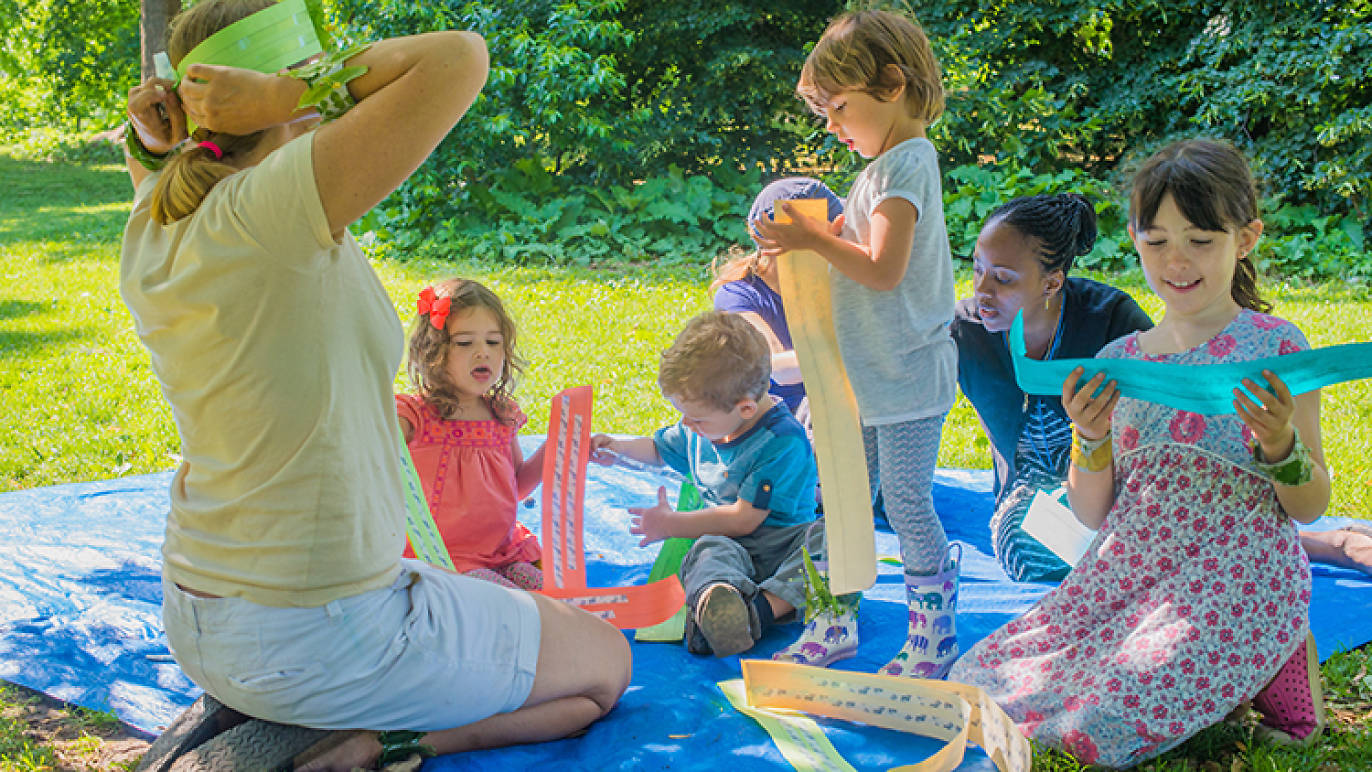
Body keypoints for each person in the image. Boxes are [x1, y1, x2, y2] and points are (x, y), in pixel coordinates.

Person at [118, 2, 628, 769]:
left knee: (511, 614)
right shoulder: (272, 212)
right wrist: (291, 98)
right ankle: (376, 743)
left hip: (204, 618)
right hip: (318, 634)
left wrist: (157, 136)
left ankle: (297, 715)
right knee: (605, 667)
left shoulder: (156, 216)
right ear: (264, 90)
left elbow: (160, 160)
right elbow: (460, 58)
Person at [949, 139, 1330, 766]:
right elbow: (1094, 513)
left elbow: (1311, 505)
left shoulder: (1278, 349)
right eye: (1156, 241)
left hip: (1238, 575)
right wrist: (1092, 438)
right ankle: (1231, 674)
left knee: (1098, 721)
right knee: (985, 677)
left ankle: (1278, 651)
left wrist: (1281, 443)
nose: (1176, 260)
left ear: (1248, 237)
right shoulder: (1120, 361)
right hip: (1131, 574)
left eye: (1201, 239)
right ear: (1134, 239)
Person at [753, 9, 961, 678]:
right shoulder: (879, 170)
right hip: (865, 374)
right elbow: (855, 260)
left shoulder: (908, 166)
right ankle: (833, 619)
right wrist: (804, 250)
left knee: (903, 501)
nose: (834, 126)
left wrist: (815, 239)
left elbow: (881, 268)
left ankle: (934, 636)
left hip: (906, 378)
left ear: (892, 84)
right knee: (842, 498)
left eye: (840, 108)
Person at [589, 312, 822, 658]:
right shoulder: (703, 425)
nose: (686, 424)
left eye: (696, 418)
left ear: (745, 408)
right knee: (707, 554)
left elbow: (745, 519)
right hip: (728, 544)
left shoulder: (781, 441)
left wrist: (672, 524)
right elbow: (659, 449)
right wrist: (618, 449)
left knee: (828, 544)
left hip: (783, 543)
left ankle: (759, 612)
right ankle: (718, 604)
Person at [951, 194, 1152, 581]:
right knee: (1019, 546)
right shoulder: (966, 333)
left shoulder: (1111, 320)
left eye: (1003, 278)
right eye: (978, 270)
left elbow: (1169, 410)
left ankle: (1131, 554)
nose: (983, 290)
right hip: (1032, 497)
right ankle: (1136, 559)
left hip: (1114, 482)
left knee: (1159, 515)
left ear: (1052, 282)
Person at [398, 278, 544, 590]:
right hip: (445, 561)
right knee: (507, 602)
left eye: (493, 342)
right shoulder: (416, 415)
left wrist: (558, 450)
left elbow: (516, 486)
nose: (483, 353)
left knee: (546, 591)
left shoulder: (501, 414)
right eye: (465, 343)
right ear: (432, 351)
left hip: (502, 553)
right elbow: (375, 444)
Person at [711, 176, 845, 425]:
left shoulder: (835, 285)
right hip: (772, 429)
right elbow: (777, 366)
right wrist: (859, 354)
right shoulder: (739, 296)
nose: (839, 243)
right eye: (829, 234)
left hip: (832, 423)